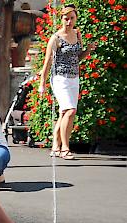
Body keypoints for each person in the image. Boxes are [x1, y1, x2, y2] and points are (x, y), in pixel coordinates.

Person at [38, 5, 95, 160]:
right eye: (66, 18)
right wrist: (42, 83)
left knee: (65, 113)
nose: (69, 22)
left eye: (72, 18)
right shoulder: (56, 38)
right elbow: (47, 62)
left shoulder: (77, 34)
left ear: (76, 19)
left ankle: (56, 147)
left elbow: (78, 57)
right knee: (70, 111)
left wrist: (88, 50)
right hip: (60, 78)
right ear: (61, 19)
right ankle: (65, 148)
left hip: (74, 77)